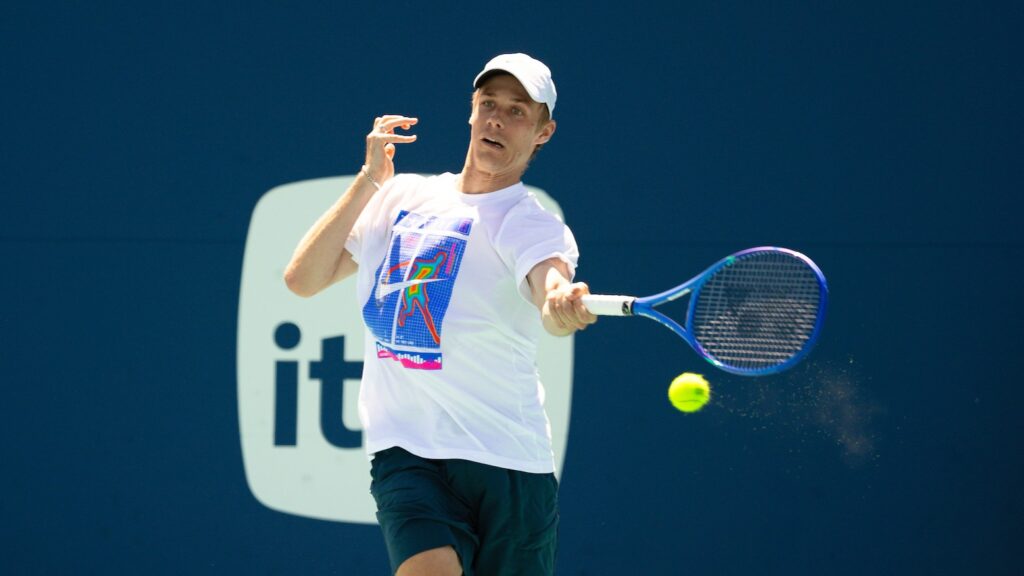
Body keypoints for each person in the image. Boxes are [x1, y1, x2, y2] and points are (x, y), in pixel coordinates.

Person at [284, 53, 595, 576]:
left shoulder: (531, 224)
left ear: (544, 132)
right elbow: (303, 279)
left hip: (510, 464)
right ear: (471, 113)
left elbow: (550, 286)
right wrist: (368, 180)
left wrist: (560, 303)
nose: (498, 118)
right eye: (489, 104)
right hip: (406, 451)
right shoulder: (401, 197)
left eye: (518, 111)